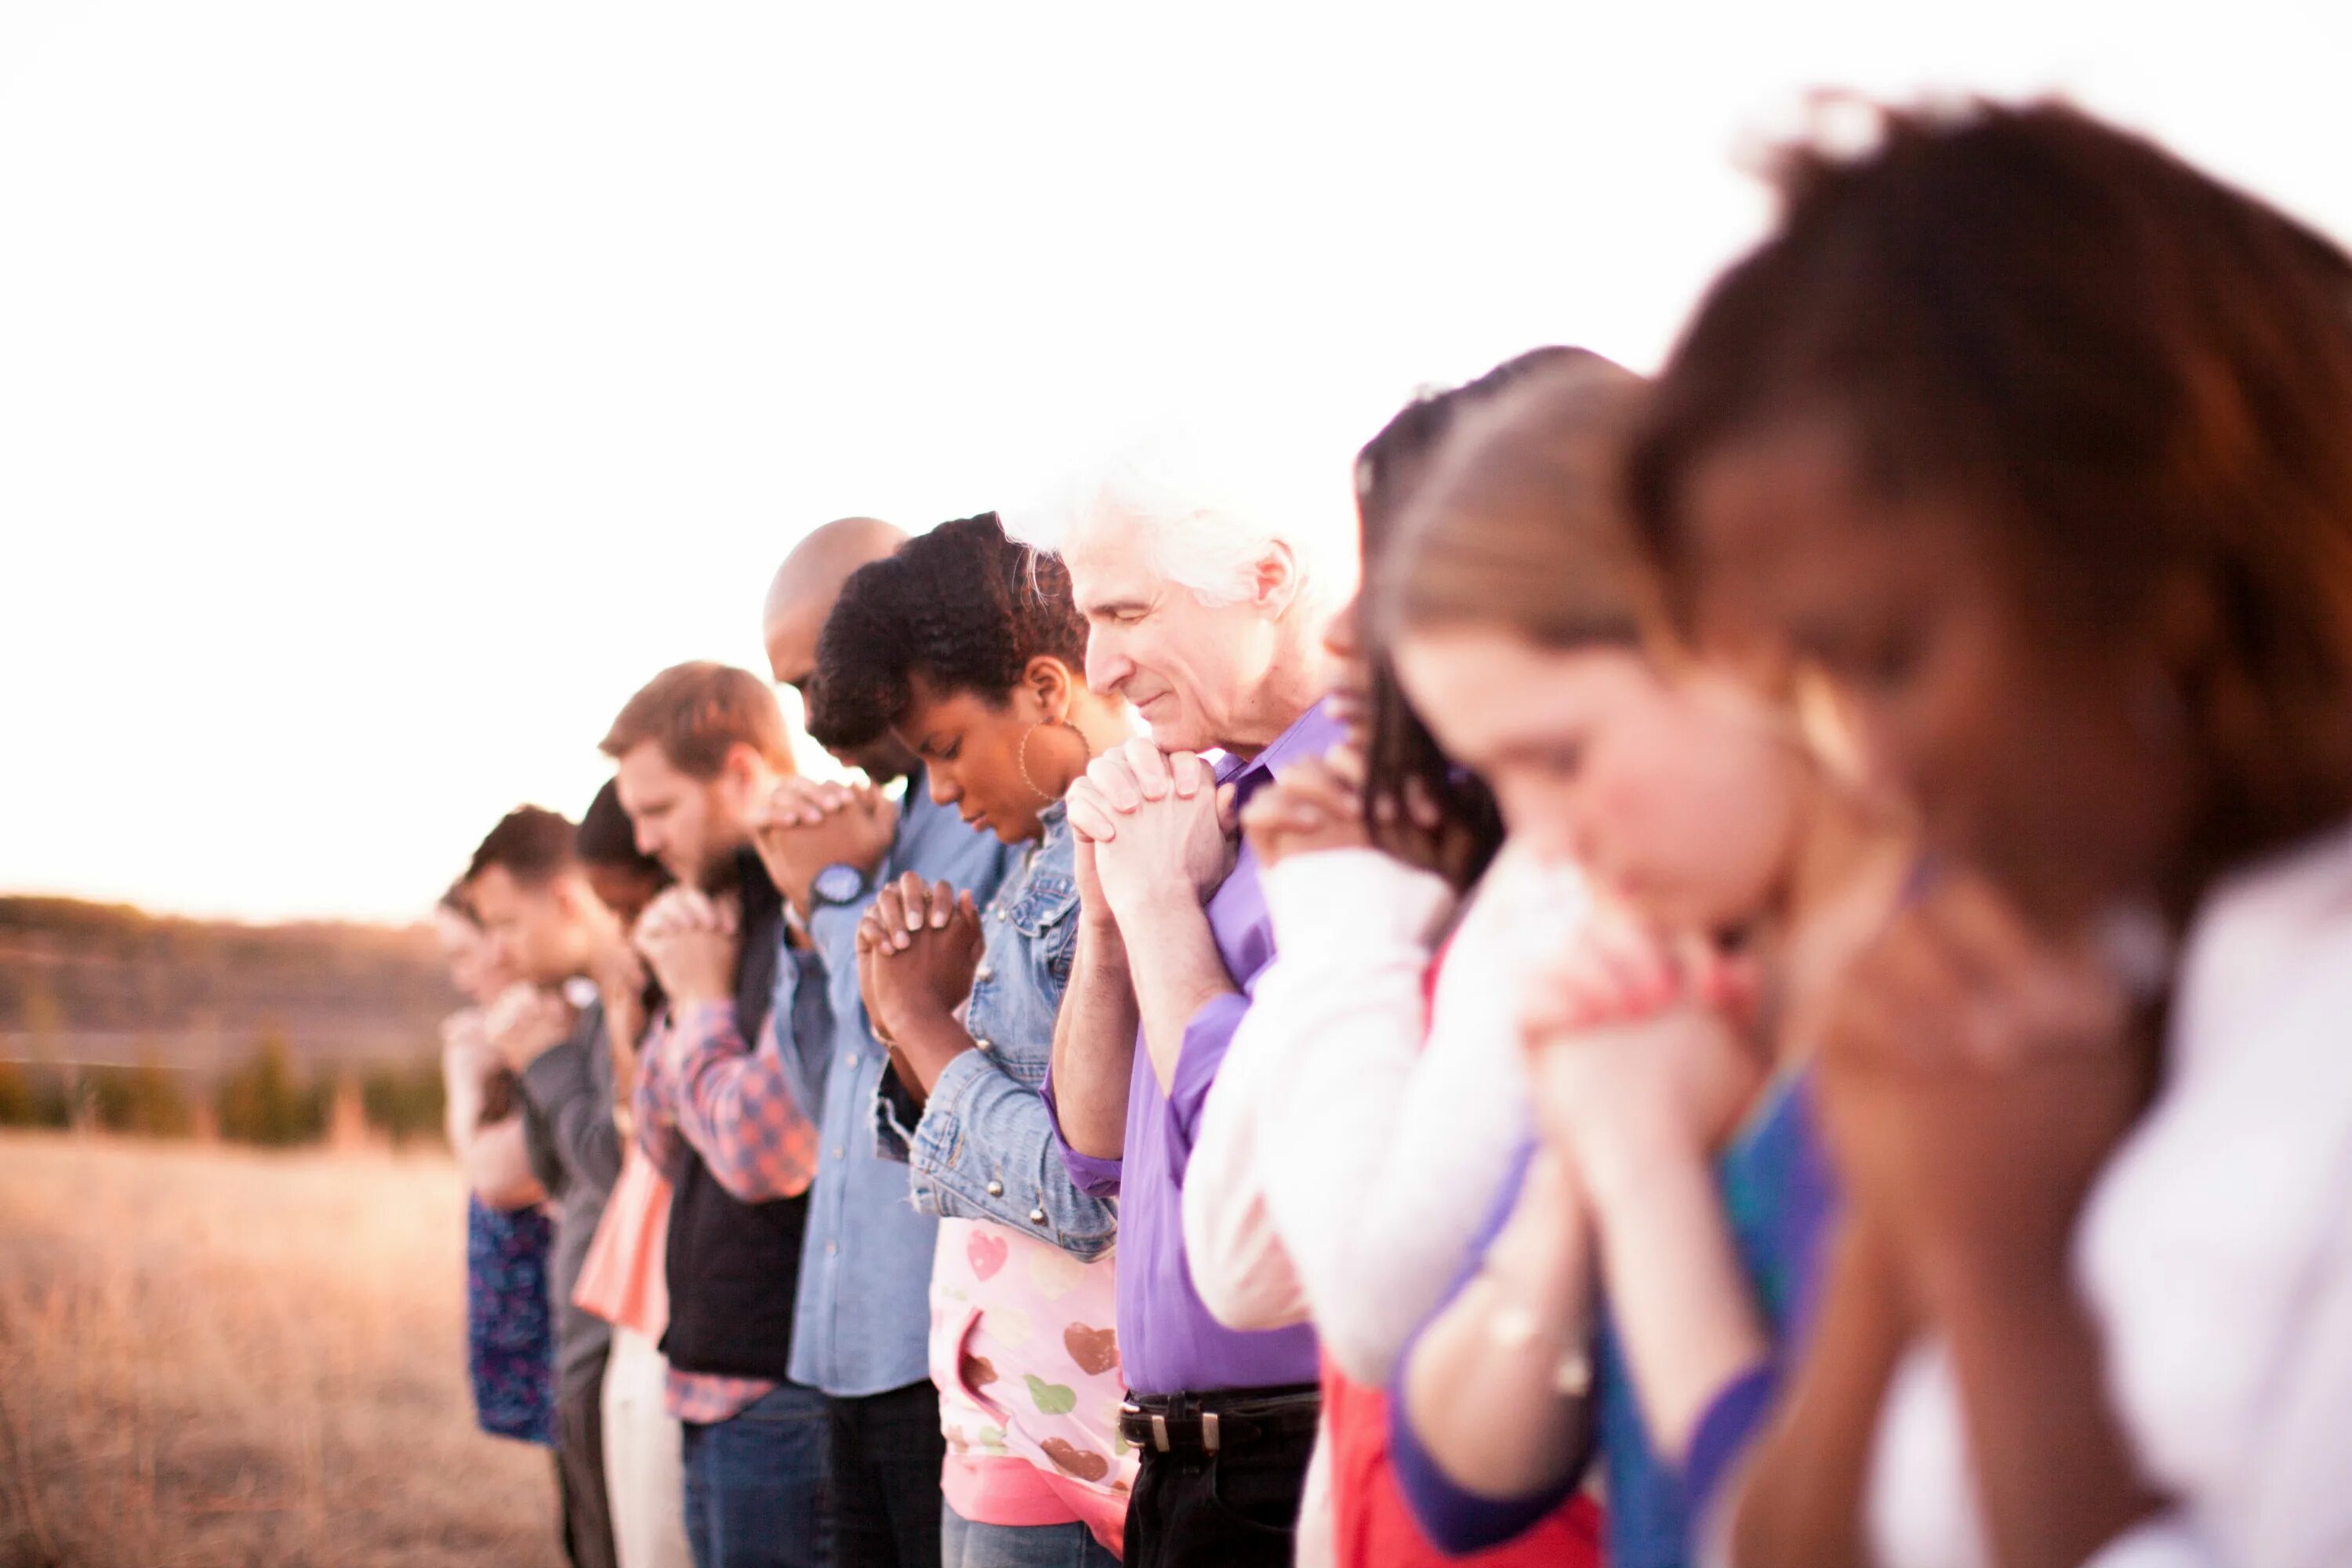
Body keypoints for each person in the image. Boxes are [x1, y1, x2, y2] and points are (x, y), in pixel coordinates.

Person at [1623, 99, 2352, 1568]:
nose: (1867, 767)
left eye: (1887, 659)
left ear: (2156, 552)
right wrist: (1904, 1246)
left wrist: (2001, 1275)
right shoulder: (2090, 956)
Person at [1363, 354, 1907, 1568]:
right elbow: (1457, 1486)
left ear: (1744, 643)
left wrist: (1640, 1164)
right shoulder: (1674, 959)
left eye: (1559, 755)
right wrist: (1575, 1174)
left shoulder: (1952, 982)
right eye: (1492, 773)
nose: (1542, 836)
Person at [1180, 352, 1605, 1568]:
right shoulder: (1464, 891)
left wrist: (1344, 924)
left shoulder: (1580, 892)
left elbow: (1375, 1310)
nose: (1343, 628)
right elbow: (1241, 1263)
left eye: (1403, 568)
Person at [1001, 430, 1355, 1568]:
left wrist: (1160, 910)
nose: (1098, 669)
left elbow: (1277, 1170)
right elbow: (1094, 1153)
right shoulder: (1192, 808)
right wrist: (1114, 921)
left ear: (1270, 577)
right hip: (1177, 1476)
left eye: (1128, 616)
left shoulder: (1369, 812)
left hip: (1302, 1464)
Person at [811, 513, 1138, 1568]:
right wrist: (917, 1026)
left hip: (1096, 1439)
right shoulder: (1050, 856)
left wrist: (919, 1023)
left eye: (945, 749)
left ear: (1048, 688)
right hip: (1012, 1417)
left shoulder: (1141, 852)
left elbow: (1084, 1190)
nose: (939, 792)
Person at [760, 517, 1023, 1568]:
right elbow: (821, 1090)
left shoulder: (990, 811)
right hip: (840, 1345)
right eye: (788, 691)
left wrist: (837, 894)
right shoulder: (877, 825)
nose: (812, 715)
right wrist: (808, 908)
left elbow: (931, 1063)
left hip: (947, 1355)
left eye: (817, 675)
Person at [604, 662, 828, 1568]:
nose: (647, 840)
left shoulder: (802, 909)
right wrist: (653, 1004)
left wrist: (697, 1001)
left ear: (740, 773)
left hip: (782, 1388)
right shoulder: (718, 916)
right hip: (710, 1377)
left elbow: (768, 1152)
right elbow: (655, 1140)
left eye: (660, 809)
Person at [465, 804, 637, 1568]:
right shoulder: (579, 1013)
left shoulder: (626, 1004)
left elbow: (614, 1165)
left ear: (567, 900)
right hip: (580, 1336)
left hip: (615, 1344)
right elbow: (555, 1168)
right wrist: (534, 1055)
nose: (498, 950)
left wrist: (546, 1060)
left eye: (506, 923)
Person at [573, 782, 694, 1568]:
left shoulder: (702, 983)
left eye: (629, 905)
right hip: (636, 1296)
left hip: (676, 1303)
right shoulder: (642, 995)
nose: (622, 931)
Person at [437, 887, 559, 1454]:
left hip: (564, 1326)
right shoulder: (507, 1037)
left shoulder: (555, 1026)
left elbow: (495, 1179)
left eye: (464, 954)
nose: (462, 978)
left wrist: (463, 1078)